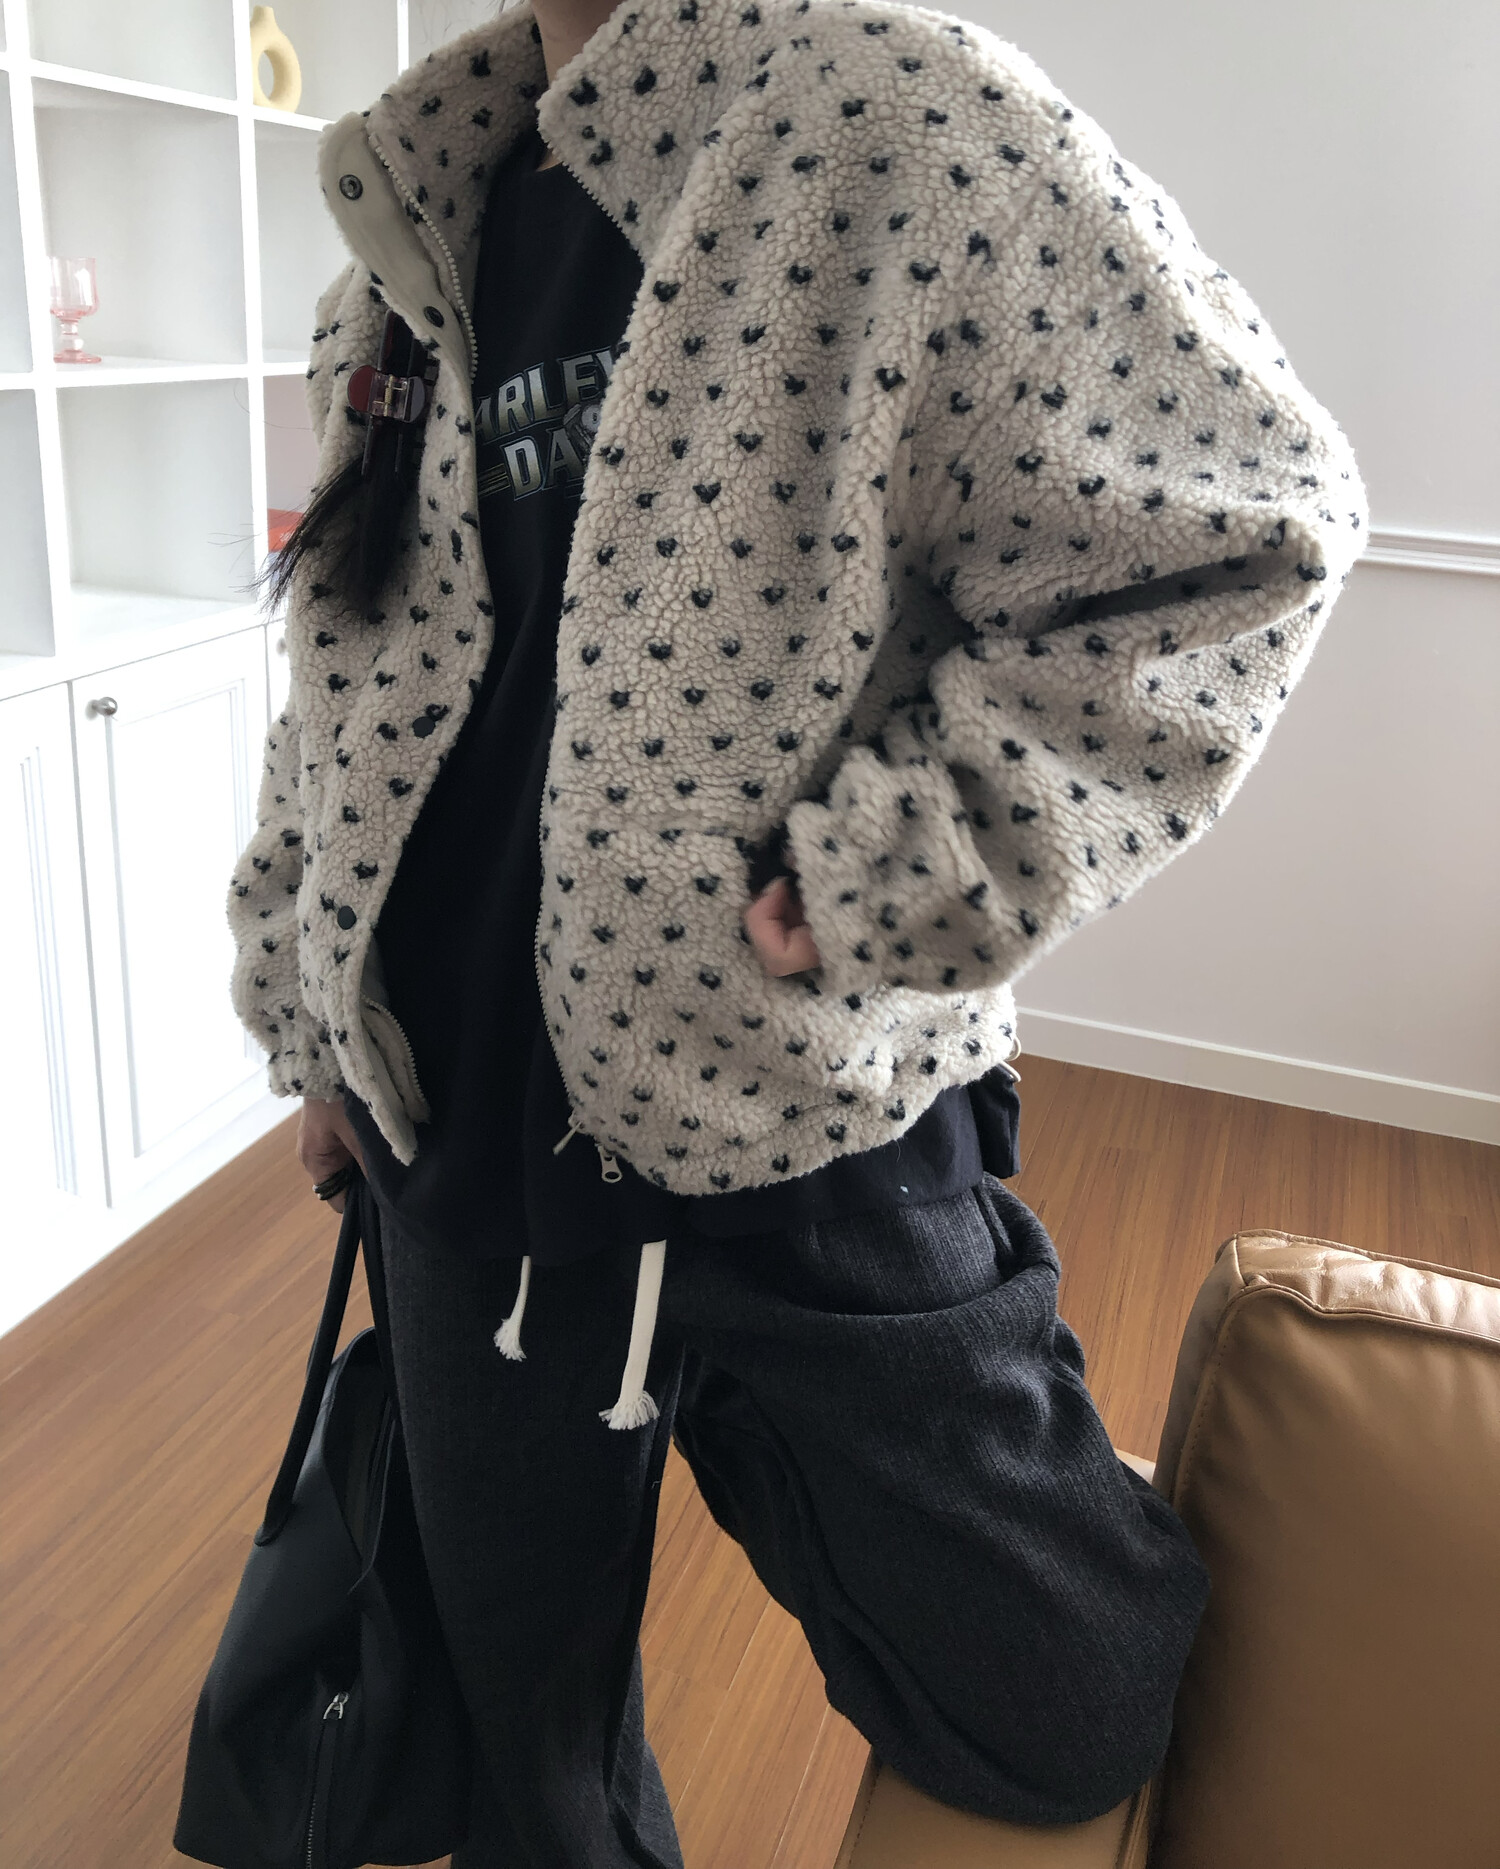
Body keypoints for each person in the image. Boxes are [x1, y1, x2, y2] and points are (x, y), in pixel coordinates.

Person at [229, 0, 1366, 1859]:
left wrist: (907, 865)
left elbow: (1240, 531)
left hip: (802, 1121)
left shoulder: (892, 108)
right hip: (463, 1155)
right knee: (529, 1773)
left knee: (1070, 1692)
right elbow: (340, 682)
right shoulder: (420, 204)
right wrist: (318, 1012)